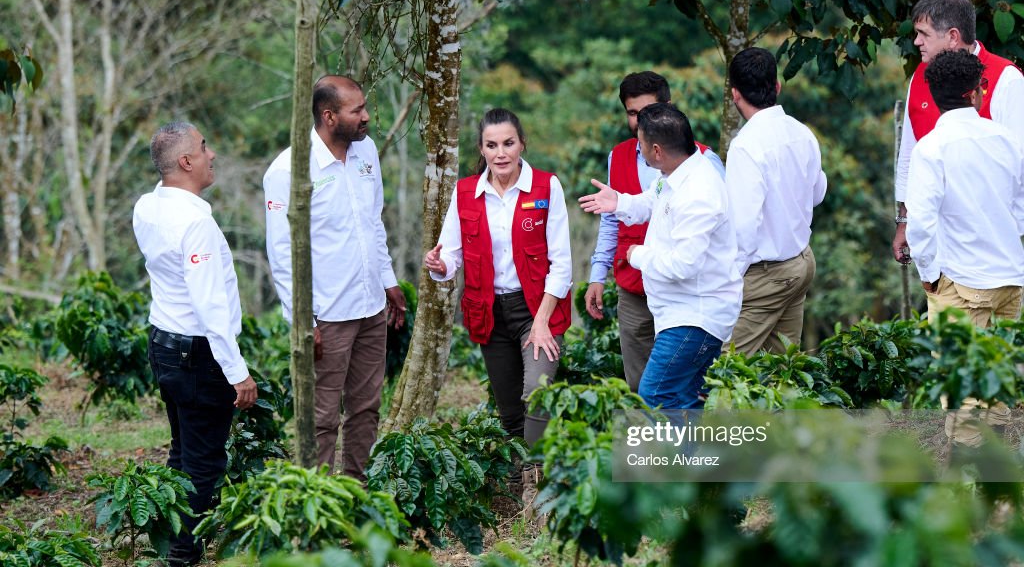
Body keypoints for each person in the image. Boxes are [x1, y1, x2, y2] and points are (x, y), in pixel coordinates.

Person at [264, 75, 405, 480]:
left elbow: (374, 224)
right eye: (356, 110)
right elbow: (282, 253)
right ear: (329, 116)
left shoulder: (367, 153)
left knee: (366, 408)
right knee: (322, 416)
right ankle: (319, 502)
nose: (366, 117)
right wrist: (303, 322)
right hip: (327, 316)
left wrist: (388, 280)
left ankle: (355, 491)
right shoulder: (288, 171)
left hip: (370, 306)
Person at [133, 122, 258, 567]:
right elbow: (210, 307)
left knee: (182, 450)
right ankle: (179, 559)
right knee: (204, 458)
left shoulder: (147, 206)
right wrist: (237, 372)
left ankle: (168, 540)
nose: (212, 155)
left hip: (162, 343)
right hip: (197, 350)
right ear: (186, 162)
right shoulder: (196, 223)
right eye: (204, 147)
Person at [424, 108, 572, 449]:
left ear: (522, 144)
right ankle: (524, 471)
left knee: (537, 392)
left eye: (508, 143)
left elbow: (561, 263)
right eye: (492, 145)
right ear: (481, 148)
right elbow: (452, 254)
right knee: (510, 413)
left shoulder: (546, 186)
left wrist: (541, 321)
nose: (500, 153)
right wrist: (438, 264)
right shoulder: (465, 193)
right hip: (490, 312)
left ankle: (537, 486)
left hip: (537, 308)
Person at [579, 103, 742, 409]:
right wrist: (618, 202)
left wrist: (638, 255)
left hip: (696, 316)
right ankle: (691, 457)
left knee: (655, 394)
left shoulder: (699, 191)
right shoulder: (676, 173)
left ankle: (680, 456)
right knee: (684, 397)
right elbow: (651, 202)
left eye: (640, 144)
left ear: (655, 150)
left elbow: (684, 264)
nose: (637, 150)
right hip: (681, 312)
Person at [905, 49, 1024, 447]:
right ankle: (996, 480)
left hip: (962, 279)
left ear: (935, 95)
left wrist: (928, 276)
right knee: (998, 375)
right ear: (977, 91)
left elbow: (921, 223)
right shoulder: (1006, 140)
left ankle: (965, 479)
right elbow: (1020, 206)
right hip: (1010, 277)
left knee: (962, 386)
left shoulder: (931, 148)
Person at [892, 0, 1024, 263]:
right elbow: (909, 154)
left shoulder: (1006, 79)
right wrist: (905, 219)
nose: (916, 41)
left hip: (990, 246)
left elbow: (1019, 167)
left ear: (953, 36)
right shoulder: (920, 75)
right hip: (936, 240)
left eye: (923, 34)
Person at [726, 47, 827, 355]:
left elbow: (744, 227)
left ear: (734, 94)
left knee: (723, 369)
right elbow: (818, 192)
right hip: (800, 262)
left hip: (767, 274)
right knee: (780, 371)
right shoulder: (801, 132)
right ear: (778, 87)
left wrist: (728, 281)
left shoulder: (745, 146)